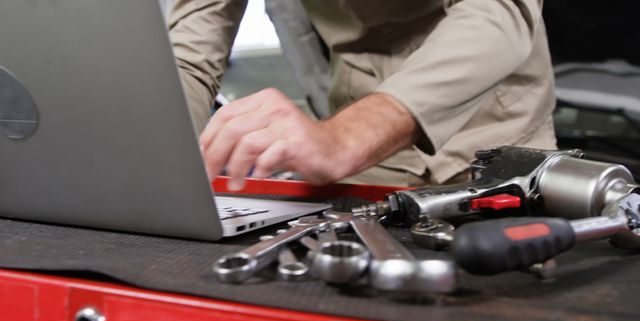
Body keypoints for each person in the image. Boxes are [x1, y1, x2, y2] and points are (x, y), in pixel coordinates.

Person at [168, 0, 557, 191]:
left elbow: (497, 11)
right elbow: (190, 52)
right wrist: (151, 160)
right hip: (365, 156)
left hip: (493, 131)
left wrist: (346, 137)